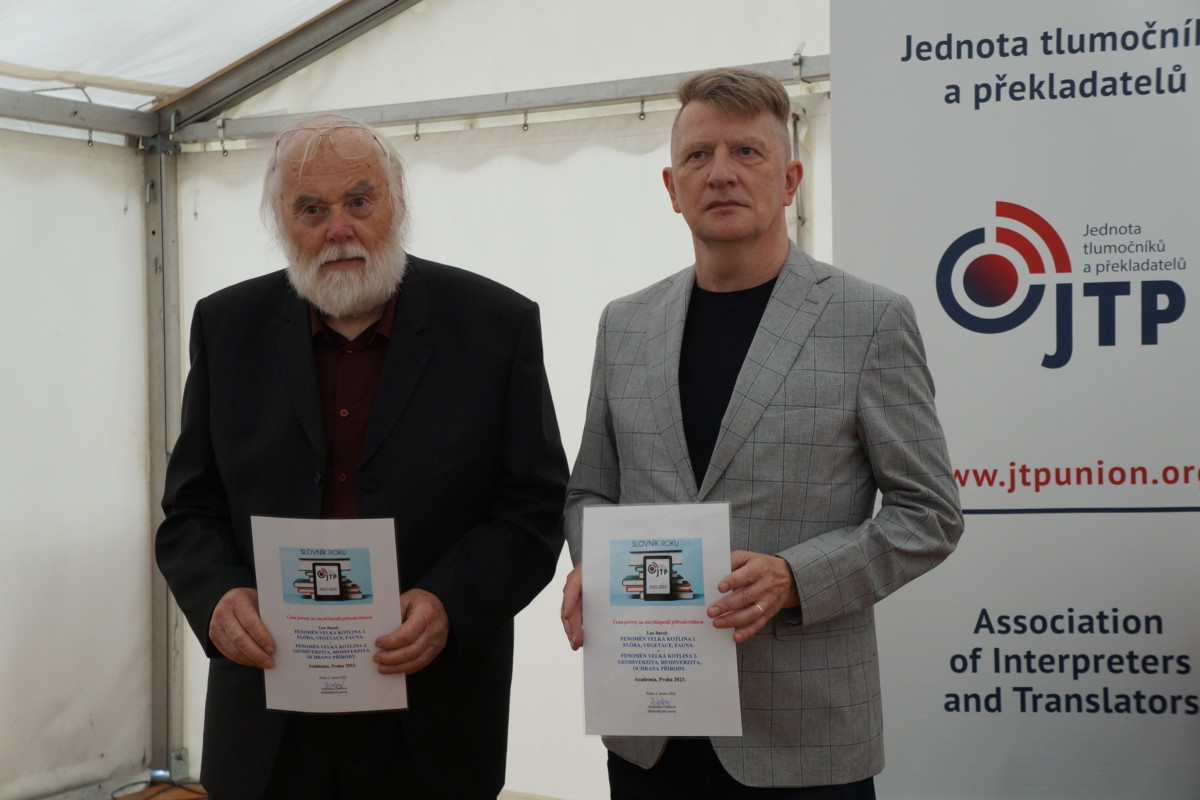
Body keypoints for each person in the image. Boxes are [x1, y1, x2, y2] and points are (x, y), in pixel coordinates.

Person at [559, 68, 964, 798]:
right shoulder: (625, 324)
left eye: (746, 152)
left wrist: (795, 579)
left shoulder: (869, 320)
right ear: (671, 187)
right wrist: (597, 561)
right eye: (698, 156)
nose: (721, 173)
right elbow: (590, 491)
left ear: (790, 181)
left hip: (803, 738)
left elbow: (928, 514)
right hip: (649, 728)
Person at [156, 114, 568, 800]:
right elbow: (190, 510)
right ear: (280, 221)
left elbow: (533, 506)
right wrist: (218, 597)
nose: (338, 229)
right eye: (311, 210)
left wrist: (448, 603)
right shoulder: (227, 327)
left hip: (433, 715)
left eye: (359, 201)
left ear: (398, 204)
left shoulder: (496, 325)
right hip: (267, 715)